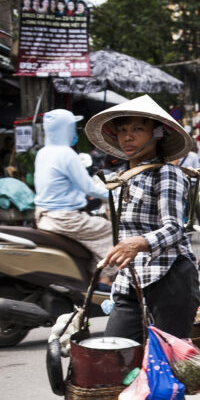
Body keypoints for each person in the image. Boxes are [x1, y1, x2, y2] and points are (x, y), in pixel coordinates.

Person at [84, 95, 200, 400]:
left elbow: (175, 228)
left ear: (156, 133)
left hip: (170, 278)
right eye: (123, 130)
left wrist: (140, 244)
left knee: (166, 370)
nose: (128, 137)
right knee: (117, 361)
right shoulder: (122, 179)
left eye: (138, 129)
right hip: (131, 283)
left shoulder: (167, 174)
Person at [33, 109, 117, 287]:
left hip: (43, 215)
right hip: (65, 218)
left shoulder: (43, 152)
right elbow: (88, 188)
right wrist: (115, 195)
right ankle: (104, 279)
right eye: (72, 127)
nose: (74, 131)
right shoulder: (66, 153)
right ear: (65, 128)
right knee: (109, 229)